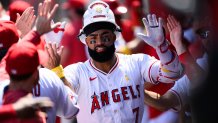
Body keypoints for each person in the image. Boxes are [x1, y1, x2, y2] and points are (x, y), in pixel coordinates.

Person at [47, 1, 183, 123]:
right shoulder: (76, 71)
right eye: (93, 39)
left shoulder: (136, 61)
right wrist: (57, 72)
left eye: (105, 37)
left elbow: (173, 73)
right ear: (86, 41)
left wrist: (162, 47)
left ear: (114, 37)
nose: (99, 42)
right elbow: (67, 109)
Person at [0, 1, 80, 123]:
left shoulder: (3, 76)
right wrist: (57, 71)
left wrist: (32, 34)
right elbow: (72, 110)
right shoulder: (48, 76)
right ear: (35, 75)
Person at [143, 15, 209, 123]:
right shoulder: (202, 62)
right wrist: (136, 89)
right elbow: (164, 102)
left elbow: (201, 81)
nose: (208, 39)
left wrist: (179, 45)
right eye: (203, 34)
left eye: (211, 32)